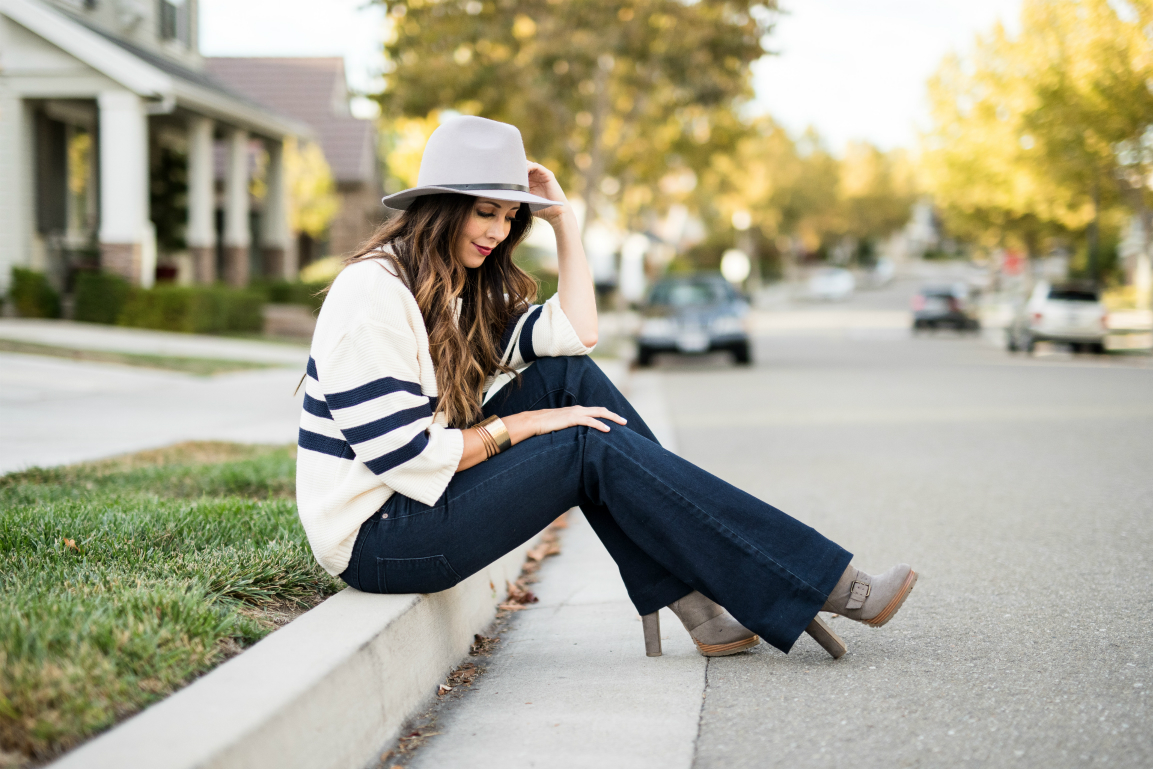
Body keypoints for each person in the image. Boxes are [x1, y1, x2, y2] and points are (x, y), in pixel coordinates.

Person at [296, 115, 917, 660]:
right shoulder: (372, 291)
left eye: (510, 216)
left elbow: (577, 333)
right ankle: (827, 584)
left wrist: (564, 220)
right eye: (485, 211)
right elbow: (401, 456)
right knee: (582, 442)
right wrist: (522, 426)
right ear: (442, 206)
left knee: (569, 383)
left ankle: (693, 600)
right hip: (380, 540)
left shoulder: (454, 293)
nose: (496, 230)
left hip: (418, 509)